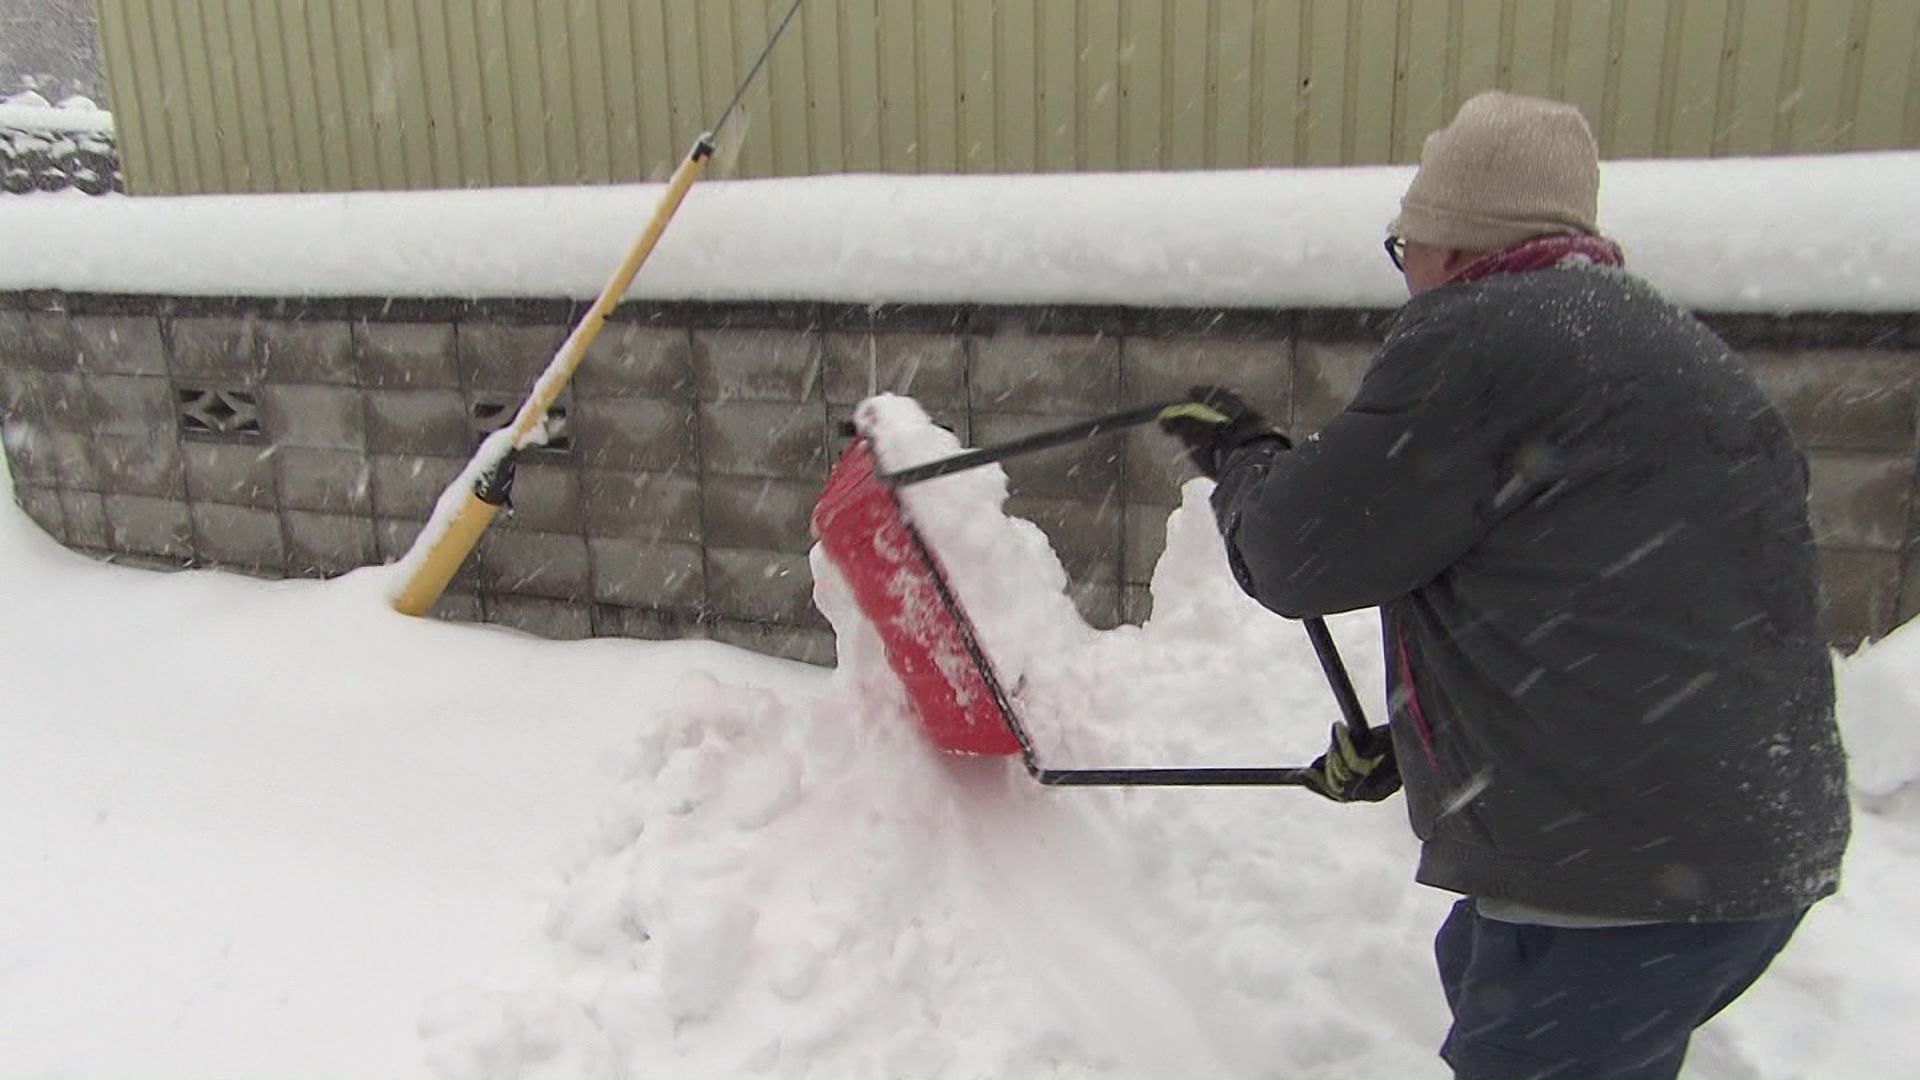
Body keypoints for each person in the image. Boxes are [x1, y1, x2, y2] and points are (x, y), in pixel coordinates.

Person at [1158, 90, 1851, 1080]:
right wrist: (1423, 744)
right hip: (1741, 848)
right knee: (1483, 966)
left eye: (1408, 249)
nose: (1410, 280)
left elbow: (1296, 552)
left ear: (1451, 245)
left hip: (1614, 875)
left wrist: (1243, 454)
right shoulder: (1674, 349)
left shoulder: (1484, 341)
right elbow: (1632, 614)